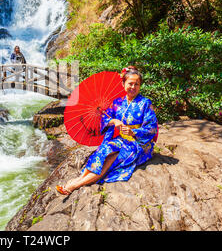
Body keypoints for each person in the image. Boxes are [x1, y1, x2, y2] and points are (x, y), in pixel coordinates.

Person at [56, 66, 158, 195]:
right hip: (122, 140)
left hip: (139, 143)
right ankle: (80, 178)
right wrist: (114, 121)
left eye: (136, 84)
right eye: (130, 83)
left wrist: (134, 132)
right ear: (123, 84)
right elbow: (104, 119)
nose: (133, 87)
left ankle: (75, 185)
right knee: (103, 150)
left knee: (112, 158)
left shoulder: (145, 103)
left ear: (140, 86)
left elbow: (152, 128)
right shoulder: (117, 102)